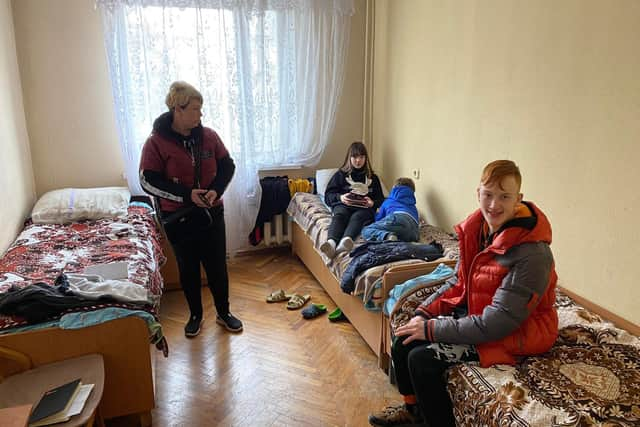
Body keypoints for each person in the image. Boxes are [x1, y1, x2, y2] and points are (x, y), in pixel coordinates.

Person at [368, 160, 558, 427]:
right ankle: (413, 412)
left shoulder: (532, 253)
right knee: (403, 340)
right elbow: (459, 283)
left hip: (518, 332)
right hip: (480, 313)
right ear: (478, 192)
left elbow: (498, 323)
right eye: (488, 195)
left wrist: (432, 329)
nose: (494, 205)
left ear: (518, 199)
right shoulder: (476, 230)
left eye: (504, 197)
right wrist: (424, 312)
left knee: (422, 359)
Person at [139, 81, 243, 337]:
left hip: (211, 214)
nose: (200, 114)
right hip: (179, 218)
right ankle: (195, 315)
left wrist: (215, 190)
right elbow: (147, 180)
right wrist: (188, 195)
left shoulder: (209, 136)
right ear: (178, 109)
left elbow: (228, 165)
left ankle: (224, 312)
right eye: (195, 109)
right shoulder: (156, 143)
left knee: (218, 265)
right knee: (188, 269)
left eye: (201, 109)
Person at [320, 142, 384, 259]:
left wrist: (373, 203)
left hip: (364, 209)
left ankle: (345, 241)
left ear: (366, 158)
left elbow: (381, 199)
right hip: (344, 205)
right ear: (349, 158)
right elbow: (328, 196)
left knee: (358, 217)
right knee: (340, 215)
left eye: (361, 157)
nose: (358, 161)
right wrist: (341, 197)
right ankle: (331, 244)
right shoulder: (340, 175)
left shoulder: (373, 178)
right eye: (355, 157)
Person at [361, 177, 420, 242]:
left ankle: (388, 236)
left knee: (366, 231)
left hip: (397, 218)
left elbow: (379, 219)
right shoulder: (413, 207)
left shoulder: (389, 201)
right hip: (414, 232)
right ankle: (396, 239)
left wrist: (376, 214)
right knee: (400, 235)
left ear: (394, 188)